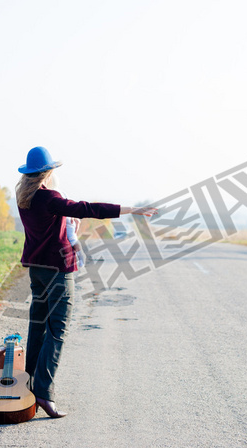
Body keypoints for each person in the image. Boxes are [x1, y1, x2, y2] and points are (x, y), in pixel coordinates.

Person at [15, 146, 157, 418]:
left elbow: (52, 224)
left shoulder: (24, 197)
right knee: (57, 329)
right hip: (58, 270)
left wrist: (69, 224)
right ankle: (44, 393)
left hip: (36, 270)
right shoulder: (49, 197)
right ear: (48, 171)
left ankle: (28, 388)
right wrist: (131, 210)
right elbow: (87, 208)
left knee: (38, 328)